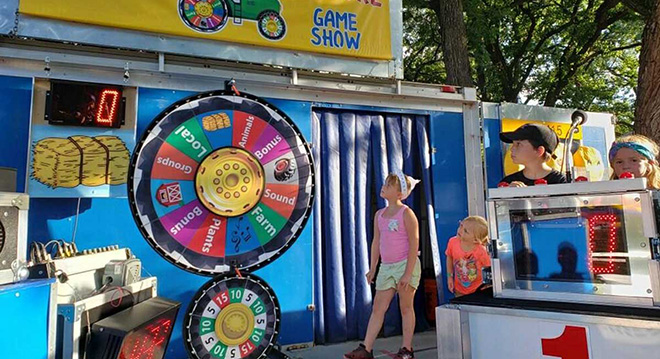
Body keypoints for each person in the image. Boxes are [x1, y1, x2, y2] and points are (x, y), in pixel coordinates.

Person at [344, 171, 421, 359]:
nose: (383, 187)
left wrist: (407, 273)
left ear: (399, 194)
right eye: (385, 183)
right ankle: (366, 349)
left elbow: (414, 244)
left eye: (388, 185)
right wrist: (373, 268)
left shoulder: (407, 214)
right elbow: (376, 243)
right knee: (378, 308)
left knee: (406, 308)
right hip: (386, 267)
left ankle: (407, 349)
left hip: (405, 266)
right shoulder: (380, 215)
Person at [499, 123, 567, 186]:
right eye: (513, 144)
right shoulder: (508, 182)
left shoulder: (560, 182)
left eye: (518, 144)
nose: (512, 149)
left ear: (539, 151)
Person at [445, 216, 491, 297]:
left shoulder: (481, 251)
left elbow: (489, 269)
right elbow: (449, 257)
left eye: (465, 231)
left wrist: (488, 287)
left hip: (478, 291)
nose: (460, 230)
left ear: (475, 240)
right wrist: (449, 277)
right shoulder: (452, 242)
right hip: (459, 289)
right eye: (461, 225)